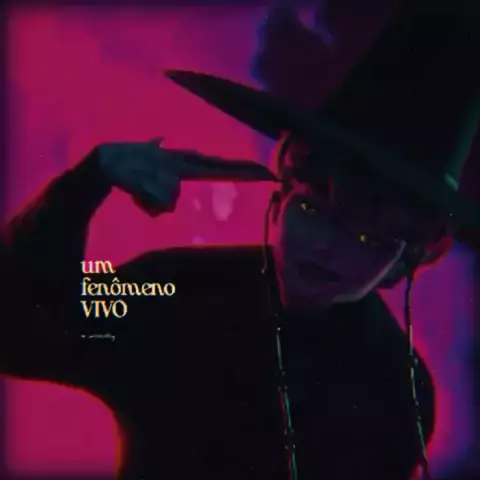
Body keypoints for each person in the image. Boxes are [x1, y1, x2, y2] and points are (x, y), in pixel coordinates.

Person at [2, 0, 479, 479]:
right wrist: (85, 185)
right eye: (312, 210)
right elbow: (24, 335)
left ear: (405, 259)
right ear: (283, 193)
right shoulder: (172, 285)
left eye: (365, 237)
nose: (328, 247)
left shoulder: (399, 390)